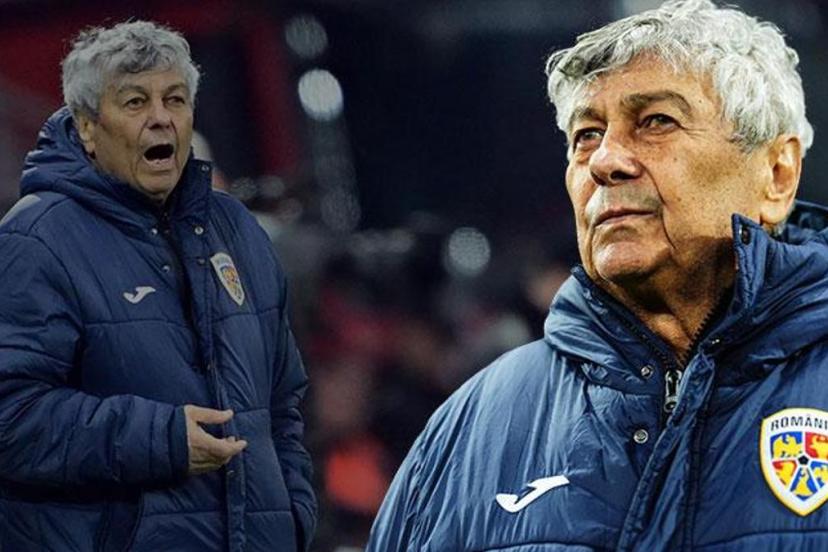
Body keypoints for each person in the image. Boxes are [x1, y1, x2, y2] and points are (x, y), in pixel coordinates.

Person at [367, 0, 828, 549]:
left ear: (777, 174)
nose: (605, 161)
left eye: (656, 122)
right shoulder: (469, 429)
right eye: (586, 134)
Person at [0, 21, 315, 551]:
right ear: (87, 128)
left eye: (175, 99)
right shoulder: (36, 240)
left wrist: (293, 515)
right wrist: (159, 438)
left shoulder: (236, 230)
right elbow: (11, 417)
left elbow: (282, 404)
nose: (160, 118)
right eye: (134, 102)